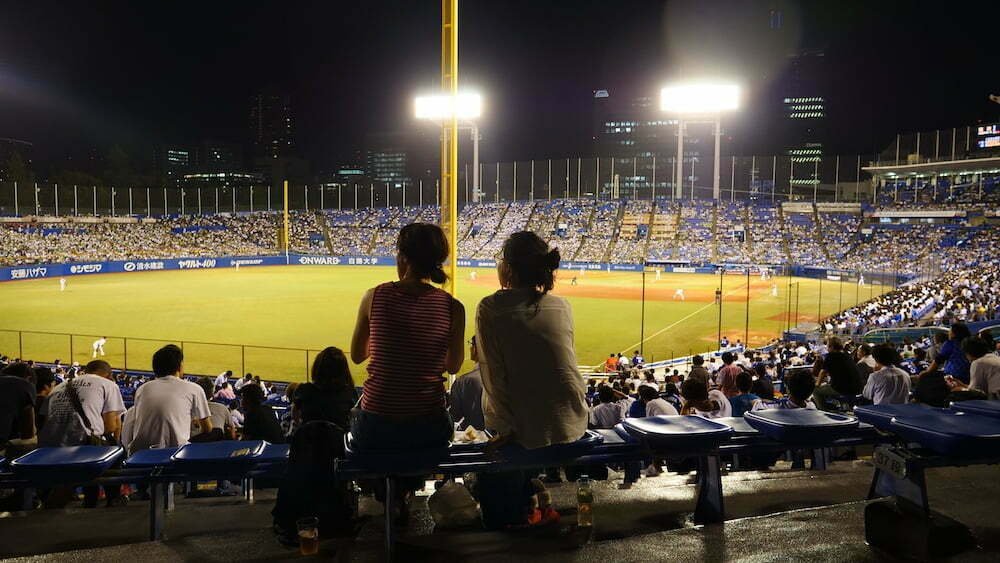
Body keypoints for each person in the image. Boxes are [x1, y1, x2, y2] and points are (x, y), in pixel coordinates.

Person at [350, 223, 464, 521]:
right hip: (429, 428)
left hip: (376, 429)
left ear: (403, 258)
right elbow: (452, 366)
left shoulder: (373, 296)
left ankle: (390, 495)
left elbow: (358, 355)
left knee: (361, 418)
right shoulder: (454, 307)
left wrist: (392, 347)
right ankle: (406, 490)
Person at [476, 231, 588, 529]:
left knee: (489, 415)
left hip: (528, 430)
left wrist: (508, 430)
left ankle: (511, 520)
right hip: (573, 422)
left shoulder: (491, 307)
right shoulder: (562, 305)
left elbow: (494, 378)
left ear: (508, 268)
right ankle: (532, 494)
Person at [273, 347, 359, 545]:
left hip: (306, 458)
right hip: (337, 459)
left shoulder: (304, 391)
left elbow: (296, 419)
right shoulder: (349, 393)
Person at [38, 360, 126, 508]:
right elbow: (110, 426)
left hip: (49, 449)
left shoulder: (59, 386)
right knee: (112, 448)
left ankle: (89, 500)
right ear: (109, 375)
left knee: (92, 443)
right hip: (80, 449)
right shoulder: (108, 385)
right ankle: (113, 498)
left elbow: (44, 420)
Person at [124, 344, 213, 454]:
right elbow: (208, 429)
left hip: (138, 454)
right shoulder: (194, 388)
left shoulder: (142, 389)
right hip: (174, 454)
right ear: (179, 366)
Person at [811, 337, 863, 410]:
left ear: (831, 347)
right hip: (857, 389)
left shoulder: (830, 356)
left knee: (816, 390)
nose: (827, 348)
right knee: (825, 387)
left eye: (828, 346)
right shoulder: (846, 355)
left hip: (842, 389)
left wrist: (817, 384)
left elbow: (822, 372)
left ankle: (822, 411)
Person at [450, 336, 485, 431]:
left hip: (471, 439)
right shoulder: (502, 378)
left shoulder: (463, 382)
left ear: (476, 349)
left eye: (471, 344)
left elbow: (454, 416)